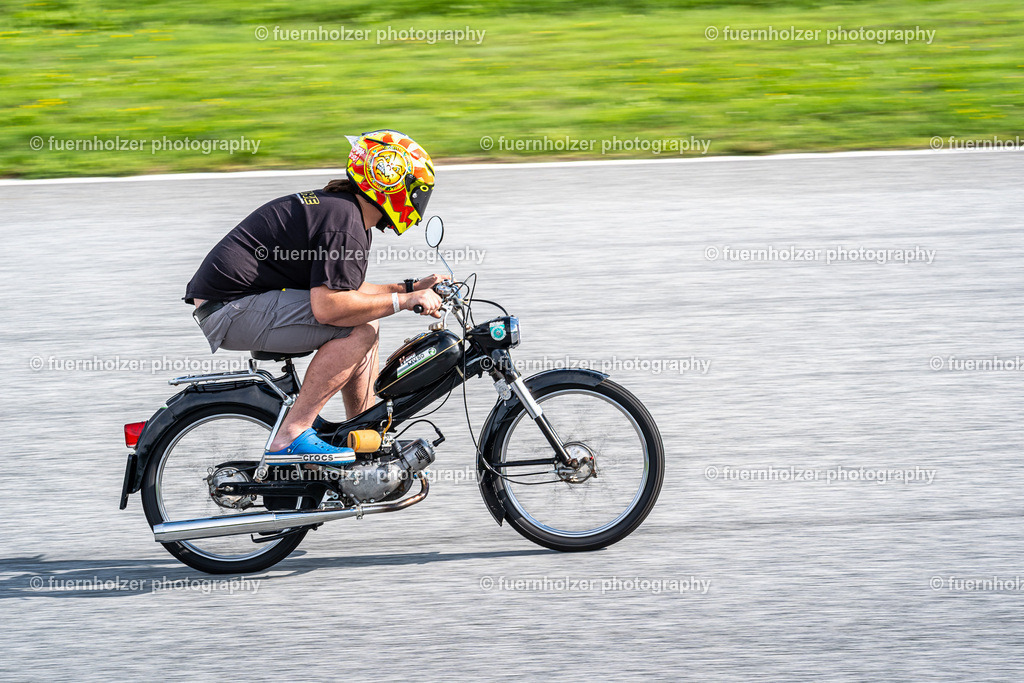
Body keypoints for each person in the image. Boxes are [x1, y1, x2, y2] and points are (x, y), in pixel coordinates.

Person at [183, 130, 443, 464]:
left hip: (237, 303)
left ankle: (365, 436)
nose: (417, 200)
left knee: (366, 319)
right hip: (231, 309)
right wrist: (402, 303)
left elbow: (346, 291)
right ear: (389, 181)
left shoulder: (345, 212)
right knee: (358, 330)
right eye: (416, 190)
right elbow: (330, 307)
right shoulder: (344, 221)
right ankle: (292, 434)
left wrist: (407, 288)